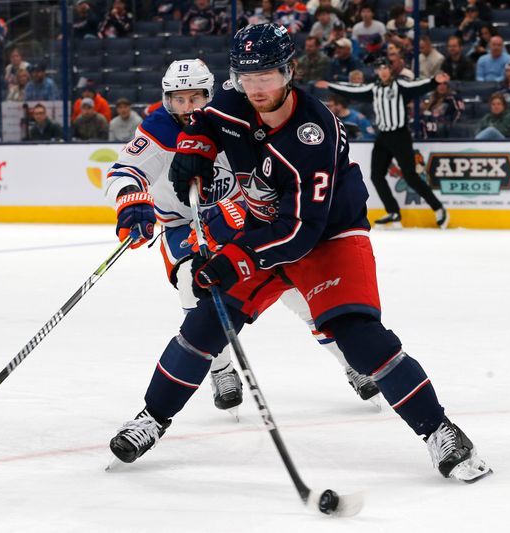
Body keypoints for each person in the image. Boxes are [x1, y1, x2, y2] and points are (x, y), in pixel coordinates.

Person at [109, 24, 491, 486]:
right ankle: (151, 418)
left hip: (327, 236)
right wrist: (197, 151)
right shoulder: (233, 99)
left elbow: (299, 234)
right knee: (204, 323)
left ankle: (441, 431)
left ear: (289, 71)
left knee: (357, 335)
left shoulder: (313, 134)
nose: (257, 88)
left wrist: (238, 259)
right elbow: (207, 124)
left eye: (267, 75)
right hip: (259, 225)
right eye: (247, 77)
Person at [103, 59, 380, 415]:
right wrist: (131, 201)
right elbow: (124, 171)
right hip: (182, 224)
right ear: (166, 99)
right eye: (179, 99)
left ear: (211, 94)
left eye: (196, 98)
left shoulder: (228, 118)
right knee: (194, 284)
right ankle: (220, 369)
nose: (188, 108)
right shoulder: (157, 129)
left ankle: (350, 362)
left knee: (297, 289)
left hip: (237, 213)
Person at [317, 53, 450, 229]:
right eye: (379, 69)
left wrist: (435, 81)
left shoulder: (400, 85)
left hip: (400, 136)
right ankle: (393, 212)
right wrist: (331, 86)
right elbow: (354, 90)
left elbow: (418, 86)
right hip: (383, 137)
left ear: (390, 69)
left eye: (385, 67)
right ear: (376, 71)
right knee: (376, 175)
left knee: (410, 176)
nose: (383, 71)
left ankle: (439, 208)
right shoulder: (374, 89)